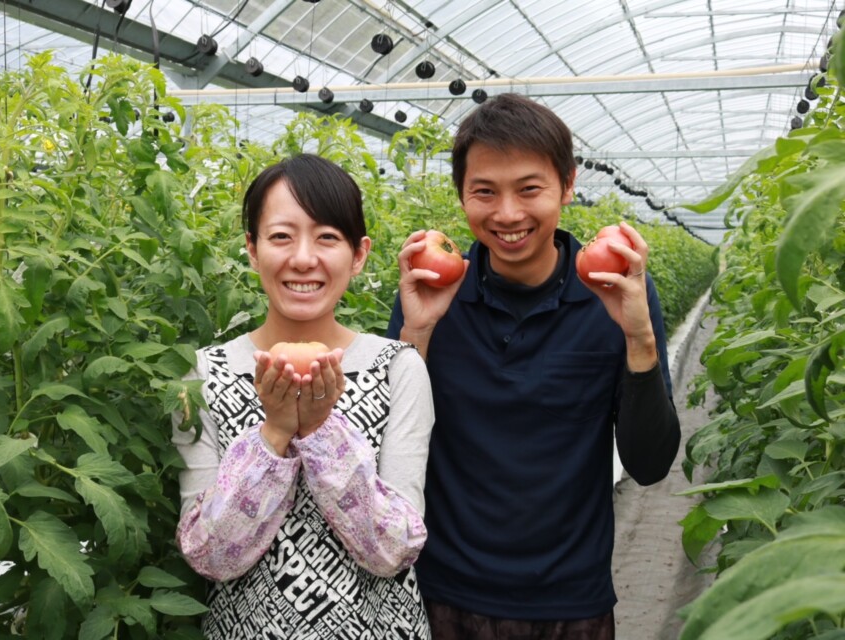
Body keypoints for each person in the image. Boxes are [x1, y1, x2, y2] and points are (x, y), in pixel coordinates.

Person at [386, 93, 681, 640]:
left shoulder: (615, 290)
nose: (507, 214)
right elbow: (387, 459)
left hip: (570, 598)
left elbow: (650, 464)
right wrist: (416, 336)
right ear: (461, 196)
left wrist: (639, 338)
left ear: (567, 186)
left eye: (529, 189)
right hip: (440, 592)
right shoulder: (431, 292)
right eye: (484, 192)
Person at [173, 153, 434, 639]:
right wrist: (274, 433)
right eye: (280, 236)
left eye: (327, 237)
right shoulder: (204, 374)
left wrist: (318, 432)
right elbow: (208, 554)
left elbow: (396, 547)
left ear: (358, 255)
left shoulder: (397, 368)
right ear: (251, 249)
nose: (303, 258)